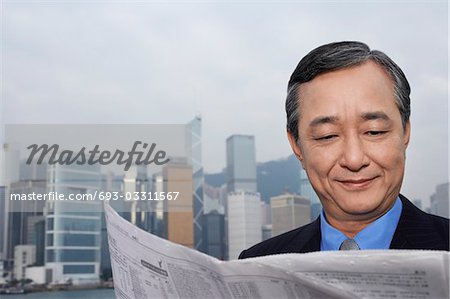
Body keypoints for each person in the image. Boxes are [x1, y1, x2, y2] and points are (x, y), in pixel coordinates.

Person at [239, 41, 449, 258]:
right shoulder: (257, 264)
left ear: (405, 132)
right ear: (297, 145)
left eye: (374, 132)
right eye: (327, 136)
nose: (354, 159)